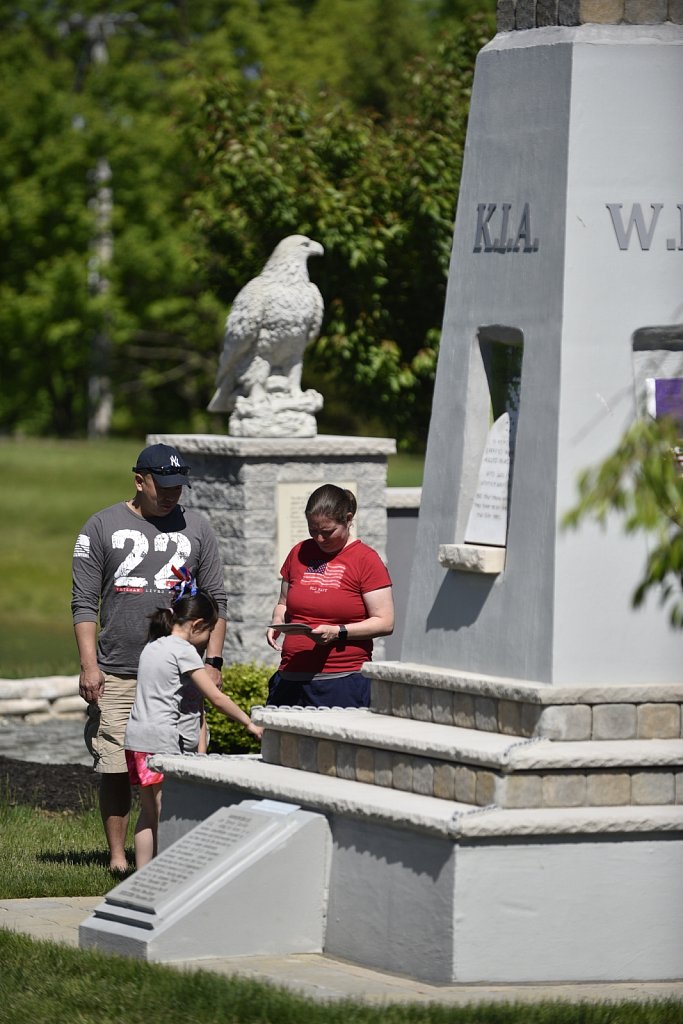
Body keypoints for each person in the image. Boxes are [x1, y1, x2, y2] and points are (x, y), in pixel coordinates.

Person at [71, 442, 228, 873]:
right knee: (117, 765)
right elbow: (84, 603)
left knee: (178, 765)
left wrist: (211, 664)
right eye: (164, 486)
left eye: (180, 486)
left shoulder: (198, 528)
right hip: (119, 668)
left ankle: (171, 854)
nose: (173, 494)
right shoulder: (101, 526)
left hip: (180, 673)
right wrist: (90, 666)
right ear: (140, 480)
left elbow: (217, 603)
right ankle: (119, 859)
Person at [124, 582, 262, 869]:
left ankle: (140, 878)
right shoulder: (182, 650)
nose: (208, 638)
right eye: (209, 631)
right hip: (162, 743)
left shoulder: (153, 645)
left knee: (148, 813)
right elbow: (214, 696)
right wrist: (249, 723)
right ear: (197, 624)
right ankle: (167, 876)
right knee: (167, 813)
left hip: (136, 740)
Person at [266, 484, 394, 708]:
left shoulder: (366, 560)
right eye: (313, 530)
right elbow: (284, 603)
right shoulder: (299, 553)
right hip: (291, 676)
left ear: (348, 518)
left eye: (327, 532)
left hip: (342, 680)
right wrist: (277, 621)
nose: (319, 539)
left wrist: (339, 632)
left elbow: (385, 622)